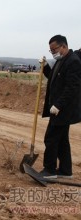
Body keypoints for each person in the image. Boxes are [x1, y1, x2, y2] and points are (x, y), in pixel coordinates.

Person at [38, 35, 81, 179]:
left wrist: (58, 105)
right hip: (59, 109)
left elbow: (72, 87)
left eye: (54, 49)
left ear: (63, 46)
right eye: (51, 51)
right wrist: (45, 68)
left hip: (63, 110)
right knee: (62, 140)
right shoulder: (61, 60)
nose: (53, 52)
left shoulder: (73, 61)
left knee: (51, 138)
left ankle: (49, 170)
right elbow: (54, 78)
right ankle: (65, 171)